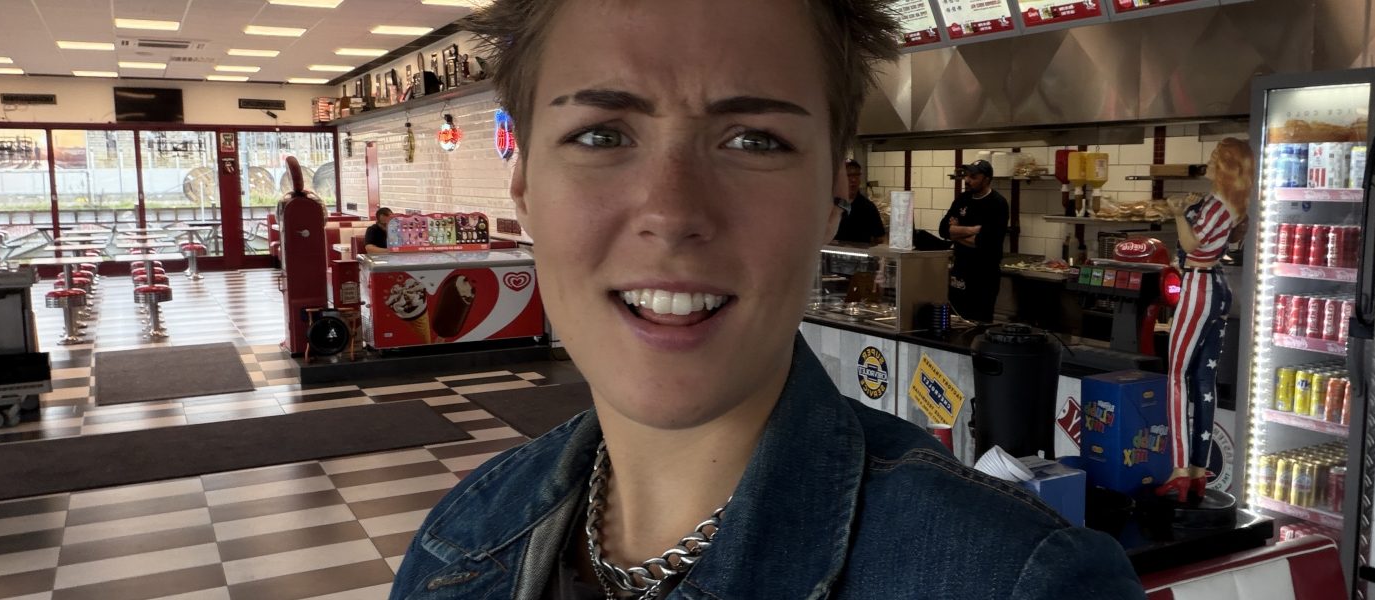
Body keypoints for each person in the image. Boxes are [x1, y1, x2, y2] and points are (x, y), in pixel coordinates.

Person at [390, 0, 1144, 599]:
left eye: (754, 140)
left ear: (832, 196)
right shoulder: (460, 545)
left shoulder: (1015, 580)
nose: (673, 213)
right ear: (524, 186)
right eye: (601, 136)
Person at [1157, 139, 1253, 503]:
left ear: (1227, 167)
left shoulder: (1216, 206)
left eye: (1215, 158)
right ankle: (1199, 469)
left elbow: (1191, 245)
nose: (1209, 162)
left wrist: (1177, 213)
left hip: (1198, 286)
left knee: (1176, 376)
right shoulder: (1232, 205)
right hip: (1217, 287)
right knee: (1204, 379)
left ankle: (1180, 468)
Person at [939, 159, 1009, 323]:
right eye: (966, 176)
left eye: (973, 177)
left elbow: (985, 243)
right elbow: (943, 229)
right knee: (955, 320)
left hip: (984, 275)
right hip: (960, 270)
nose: (967, 180)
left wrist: (956, 232)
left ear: (986, 179)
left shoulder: (997, 203)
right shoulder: (963, 199)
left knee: (978, 324)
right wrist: (974, 230)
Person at [833, 158, 886, 244]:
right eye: (849, 175)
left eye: (856, 175)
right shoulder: (830, 205)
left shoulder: (868, 208)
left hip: (859, 252)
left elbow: (879, 238)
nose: (853, 179)